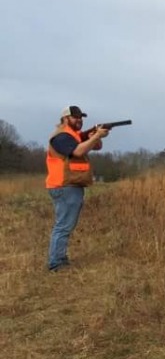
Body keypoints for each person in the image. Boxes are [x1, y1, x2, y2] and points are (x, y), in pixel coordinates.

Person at [45, 105, 110, 271]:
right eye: (75, 117)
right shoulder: (62, 136)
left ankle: (60, 259)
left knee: (65, 225)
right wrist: (96, 135)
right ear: (65, 119)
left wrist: (95, 136)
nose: (79, 120)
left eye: (81, 117)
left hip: (70, 185)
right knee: (63, 226)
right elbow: (78, 152)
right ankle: (56, 263)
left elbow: (97, 147)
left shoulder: (74, 135)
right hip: (64, 185)